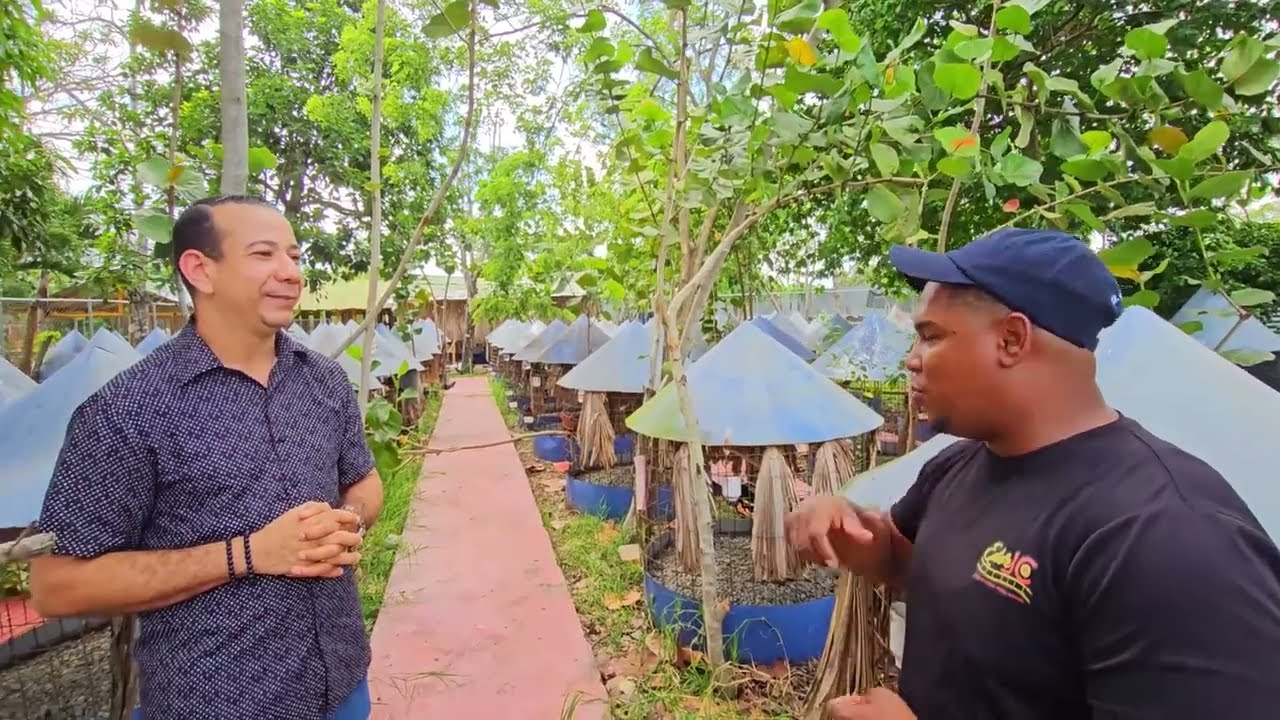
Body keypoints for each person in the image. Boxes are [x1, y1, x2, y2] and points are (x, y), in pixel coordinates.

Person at [786, 228, 1280, 719]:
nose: (911, 360)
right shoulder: (959, 463)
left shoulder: (1165, 533)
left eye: (931, 336)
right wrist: (851, 528)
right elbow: (908, 560)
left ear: (1012, 339)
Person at [29, 196, 383, 720]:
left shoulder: (324, 382)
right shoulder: (127, 410)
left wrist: (343, 523)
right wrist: (250, 553)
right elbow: (57, 586)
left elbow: (365, 481)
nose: (290, 273)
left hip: (342, 686)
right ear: (200, 269)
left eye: (295, 255)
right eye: (264, 254)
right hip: (215, 701)